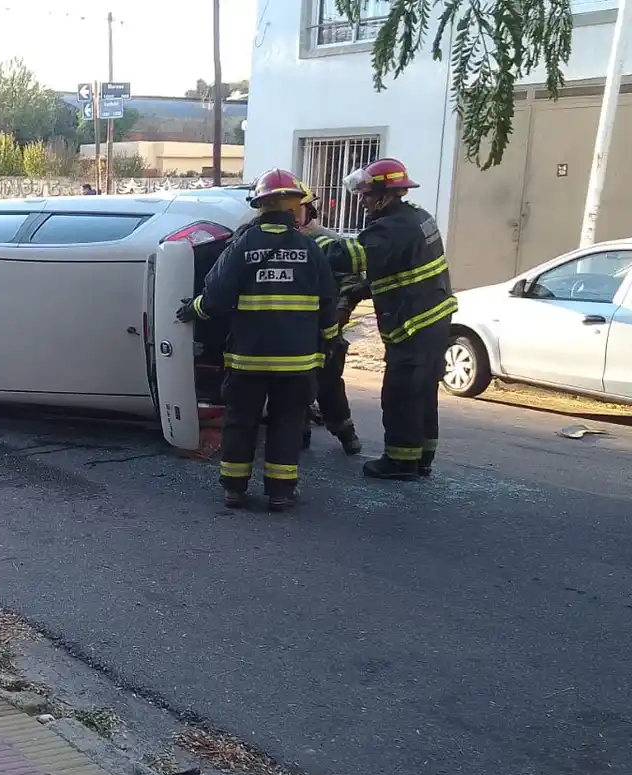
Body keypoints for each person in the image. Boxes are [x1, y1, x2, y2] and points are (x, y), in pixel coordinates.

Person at [177, 168, 337, 512]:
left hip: (248, 359)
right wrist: (326, 347)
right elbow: (328, 306)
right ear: (295, 208)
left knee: (241, 421)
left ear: (260, 206)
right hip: (297, 363)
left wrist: (193, 310)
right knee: (287, 423)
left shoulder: (242, 246)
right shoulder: (311, 250)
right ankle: (280, 492)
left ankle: (234, 489)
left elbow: (216, 297)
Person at [309, 157, 456, 481]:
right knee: (422, 393)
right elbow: (394, 270)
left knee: (400, 394)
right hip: (433, 321)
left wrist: (313, 237)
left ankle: (400, 462)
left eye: (365, 196)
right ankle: (422, 458)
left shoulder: (391, 228)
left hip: (412, 325)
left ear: (385, 195)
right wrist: (360, 291)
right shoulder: (417, 218)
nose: (362, 202)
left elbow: (349, 257)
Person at [296, 189, 364, 456]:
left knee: (329, 385)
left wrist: (339, 316)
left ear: (309, 212)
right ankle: (299, 437)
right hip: (296, 329)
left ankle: (347, 435)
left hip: (324, 328)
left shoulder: (327, 241)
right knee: (296, 386)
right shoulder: (283, 242)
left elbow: (353, 283)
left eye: (296, 211)